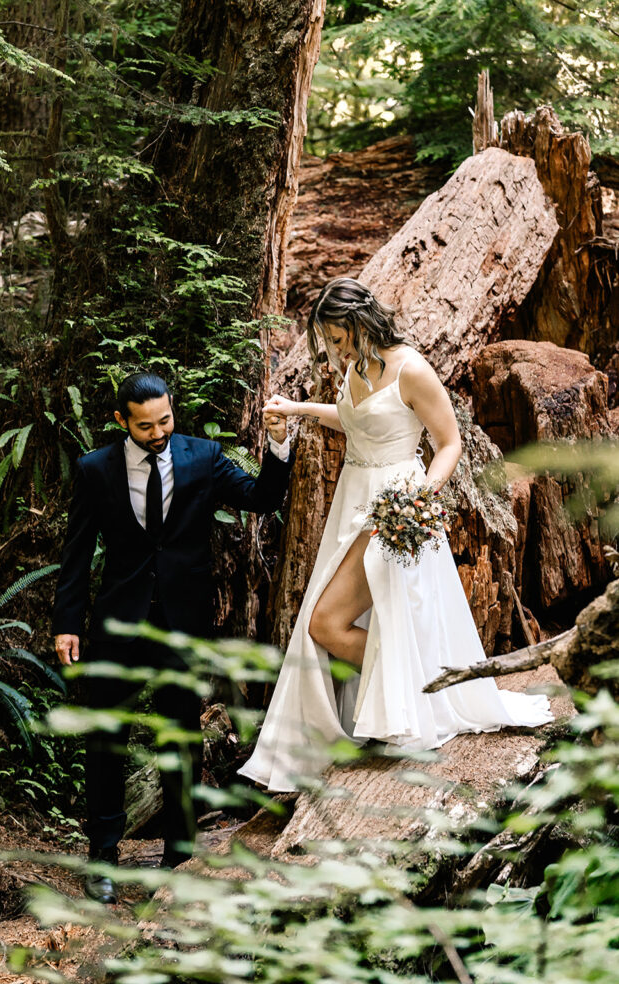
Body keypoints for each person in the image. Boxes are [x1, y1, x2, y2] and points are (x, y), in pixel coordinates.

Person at [238, 277, 553, 792]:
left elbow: (448, 443)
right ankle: (417, 692)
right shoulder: (357, 367)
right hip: (352, 500)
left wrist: (419, 497)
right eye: (331, 343)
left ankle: (415, 696)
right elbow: (352, 419)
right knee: (342, 620)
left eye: (339, 339)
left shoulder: (413, 369)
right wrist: (296, 410)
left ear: (362, 322)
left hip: (394, 506)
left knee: (324, 621)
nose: (335, 352)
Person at [52, 371, 292, 900]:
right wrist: (67, 622)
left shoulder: (202, 456)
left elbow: (262, 496)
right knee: (106, 739)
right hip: (119, 624)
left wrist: (277, 444)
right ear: (121, 422)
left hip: (183, 624)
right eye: (145, 426)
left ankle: (179, 855)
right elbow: (75, 554)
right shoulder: (95, 469)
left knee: (180, 736)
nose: (158, 432)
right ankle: (104, 859)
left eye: (165, 420)